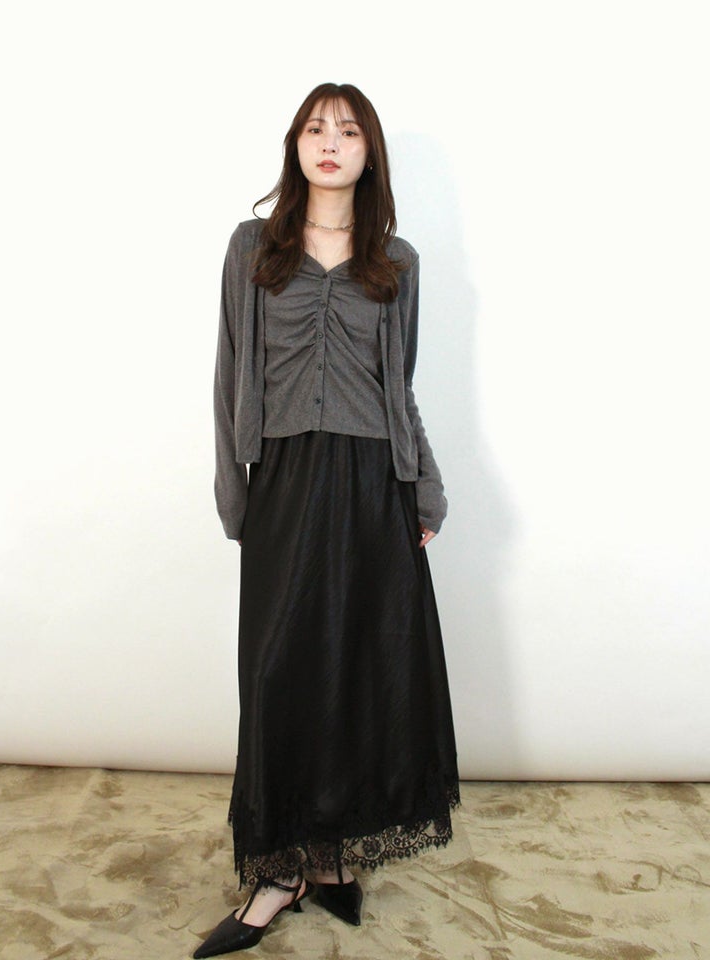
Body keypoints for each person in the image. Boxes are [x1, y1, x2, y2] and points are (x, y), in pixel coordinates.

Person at [195, 82, 460, 959]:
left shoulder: (396, 263)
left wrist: (424, 490)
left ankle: (332, 857)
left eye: (348, 130)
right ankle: (278, 871)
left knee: (353, 670)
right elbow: (229, 370)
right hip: (284, 477)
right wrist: (234, 488)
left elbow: (399, 389)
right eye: (316, 128)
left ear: (369, 152)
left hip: (371, 484)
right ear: (296, 145)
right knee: (278, 671)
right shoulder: (253, 249)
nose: (330, 142)